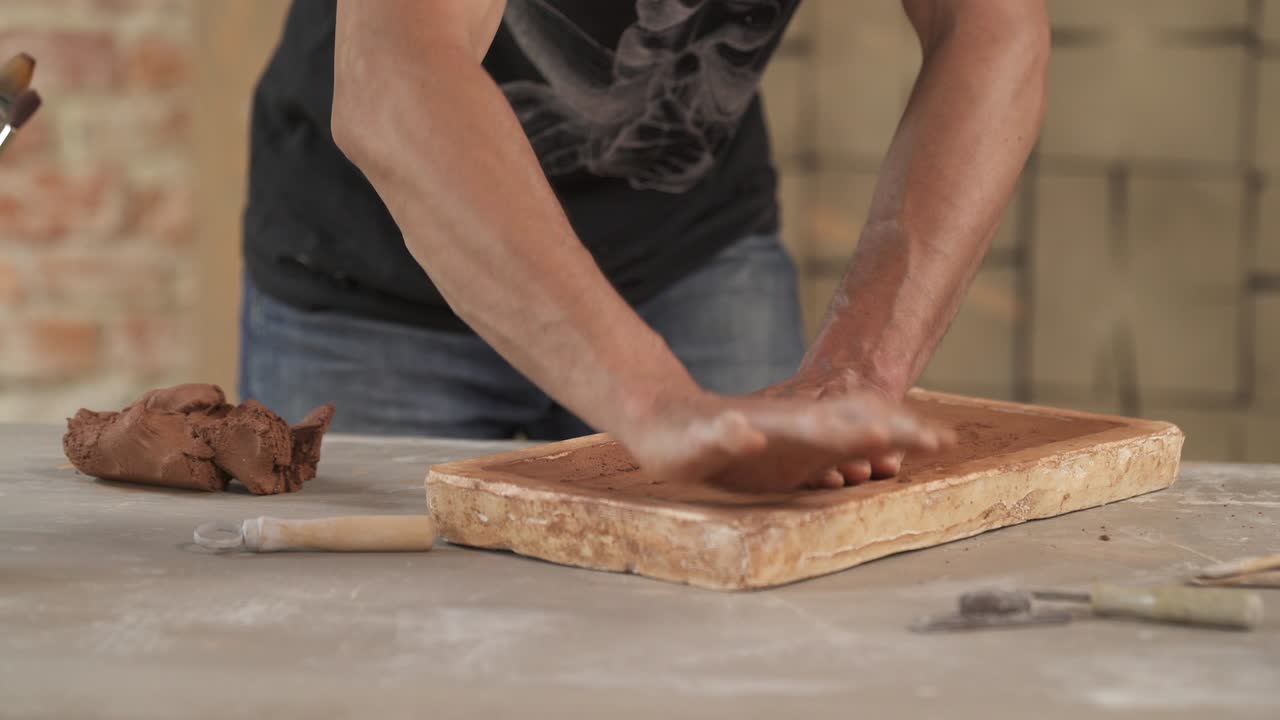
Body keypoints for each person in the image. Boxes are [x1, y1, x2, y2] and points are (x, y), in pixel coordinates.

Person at [240, 0, 1049, 491]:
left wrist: (863, 373)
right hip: (374, 279)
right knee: (379, 660)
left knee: (739, 644)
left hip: (692, 256)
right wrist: (656, 402)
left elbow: (990, 27)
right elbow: (394, 67)